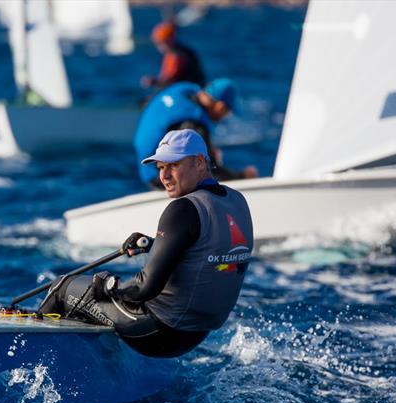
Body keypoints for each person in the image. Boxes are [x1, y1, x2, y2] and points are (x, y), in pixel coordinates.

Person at [38, 129, 254, 358]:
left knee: (62, 288)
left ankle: (34, 365)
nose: (164, 176)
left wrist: (109, 285)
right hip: (195, 334)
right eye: (161, 167)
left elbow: (144, 288)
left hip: (158, 333)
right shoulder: (237, 201)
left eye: (173, 165)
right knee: (92, 301)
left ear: (200, 162)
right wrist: (155, 244)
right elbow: (208, 249)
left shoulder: (184, 208)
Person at [134, 78, 258, 188]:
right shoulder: (194, 124)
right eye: (226, 112)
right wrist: (242, 176)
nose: (223, 117)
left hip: (146, 165)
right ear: (220, 106)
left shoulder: (183, 89)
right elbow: (208, 170)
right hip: (157, 176)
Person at [140, 21, 206, 90]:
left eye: (160, 43)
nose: (158, 46)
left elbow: (170, 78)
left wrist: (153, 81)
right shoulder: (184, 51)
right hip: (193, 89)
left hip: (185, 92)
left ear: (170, 40)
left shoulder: (176, 55)